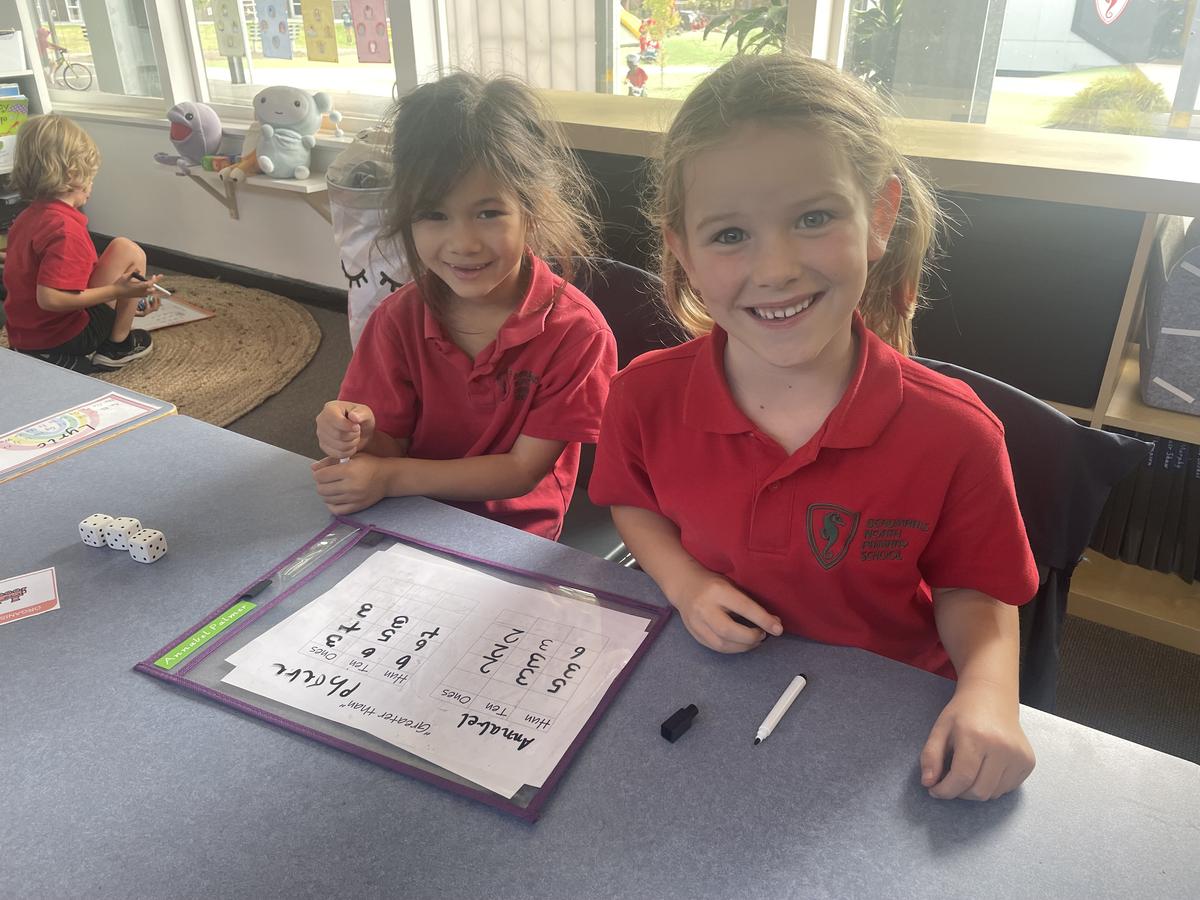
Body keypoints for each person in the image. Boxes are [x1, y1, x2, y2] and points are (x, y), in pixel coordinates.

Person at [589, 53, 1039, 802]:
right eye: (729, 234)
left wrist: (991, 695)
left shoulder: (955, 435)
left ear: (880, 216)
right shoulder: (643, 396)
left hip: (885, 723)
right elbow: (632, 503)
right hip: (713, 690)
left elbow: (977, 593)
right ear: (682, 251)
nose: (776, 269)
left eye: (813, 218)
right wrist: (684, 582)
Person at [313, 72, 617, 540]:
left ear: (533, 209)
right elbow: (386, 448)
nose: (464, 244)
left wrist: (389, 477)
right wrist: (359, 433)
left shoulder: (577, 334)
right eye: (433, 214)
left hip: (513, 535)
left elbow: (520, 471)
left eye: (488, 213)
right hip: (405, 515)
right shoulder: (396, 320)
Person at [2, 114, 161, 373]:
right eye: (91, 174)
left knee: (118, 255)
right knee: (128, 250)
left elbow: (47, 274)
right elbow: (51, 298)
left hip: (25, 333)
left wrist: (129, 303)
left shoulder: (28, 217)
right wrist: (118, 292)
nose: (92, 182)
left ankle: (42, 354)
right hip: (63, 335)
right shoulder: (65, 229)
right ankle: (117, 347)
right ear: (74, 174)